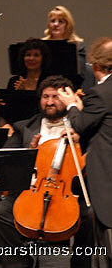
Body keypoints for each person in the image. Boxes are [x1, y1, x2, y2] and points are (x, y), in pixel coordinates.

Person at [0, 75, 92, 268]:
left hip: (70, 192)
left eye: (56, 97)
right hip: (31, 190)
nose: (50, 102)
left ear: (67, 99)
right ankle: (18, 263)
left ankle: (81, 263)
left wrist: (80, 145)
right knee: (0, 212)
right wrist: (29, 154)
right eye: (45, 96)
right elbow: (7, 161)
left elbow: (92, 161)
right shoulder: (23, 127)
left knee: (90, 215)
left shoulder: (81, 128)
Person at [58, 37, 112, 264]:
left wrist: (71, 105)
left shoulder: (100, 93)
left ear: (96, 66)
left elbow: (78, 126)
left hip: (105, 175)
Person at [41, 5, 94, 91]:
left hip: (70, 88)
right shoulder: (42, 45)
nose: (56, 24)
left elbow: (80, 74)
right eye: (53, 21)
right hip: (47, 89)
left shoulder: (77, 45)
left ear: (67, 25)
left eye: (61, 21)